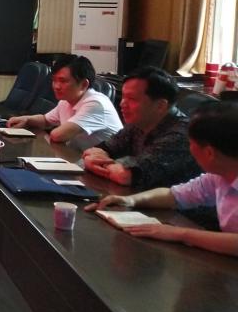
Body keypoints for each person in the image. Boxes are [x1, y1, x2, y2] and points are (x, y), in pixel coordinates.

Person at [84, 103, 238, 257]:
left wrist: (179, 233)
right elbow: (173, 196)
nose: (189, 149)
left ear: (209, 153)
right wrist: (130, 200)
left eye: (191, 143)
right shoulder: (217, 176)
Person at [82, 66, 201, 188]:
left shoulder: (181, 135)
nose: (122, 104)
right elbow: (99, 150)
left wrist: (96, 163)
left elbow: (127, 177)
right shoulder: (139, 123)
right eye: (123, 97)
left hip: (169, 200)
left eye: (132, 99)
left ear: (160, 105)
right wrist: (94, 159)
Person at [7, 54, 121, 149]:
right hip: (82, 158)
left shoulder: (96, 104)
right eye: (54, 80)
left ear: (83, 84)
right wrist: (27, 119)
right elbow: (46, 120)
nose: (56, 86)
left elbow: (58, 136)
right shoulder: (66, 100)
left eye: (63, 81)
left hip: (109, 164)